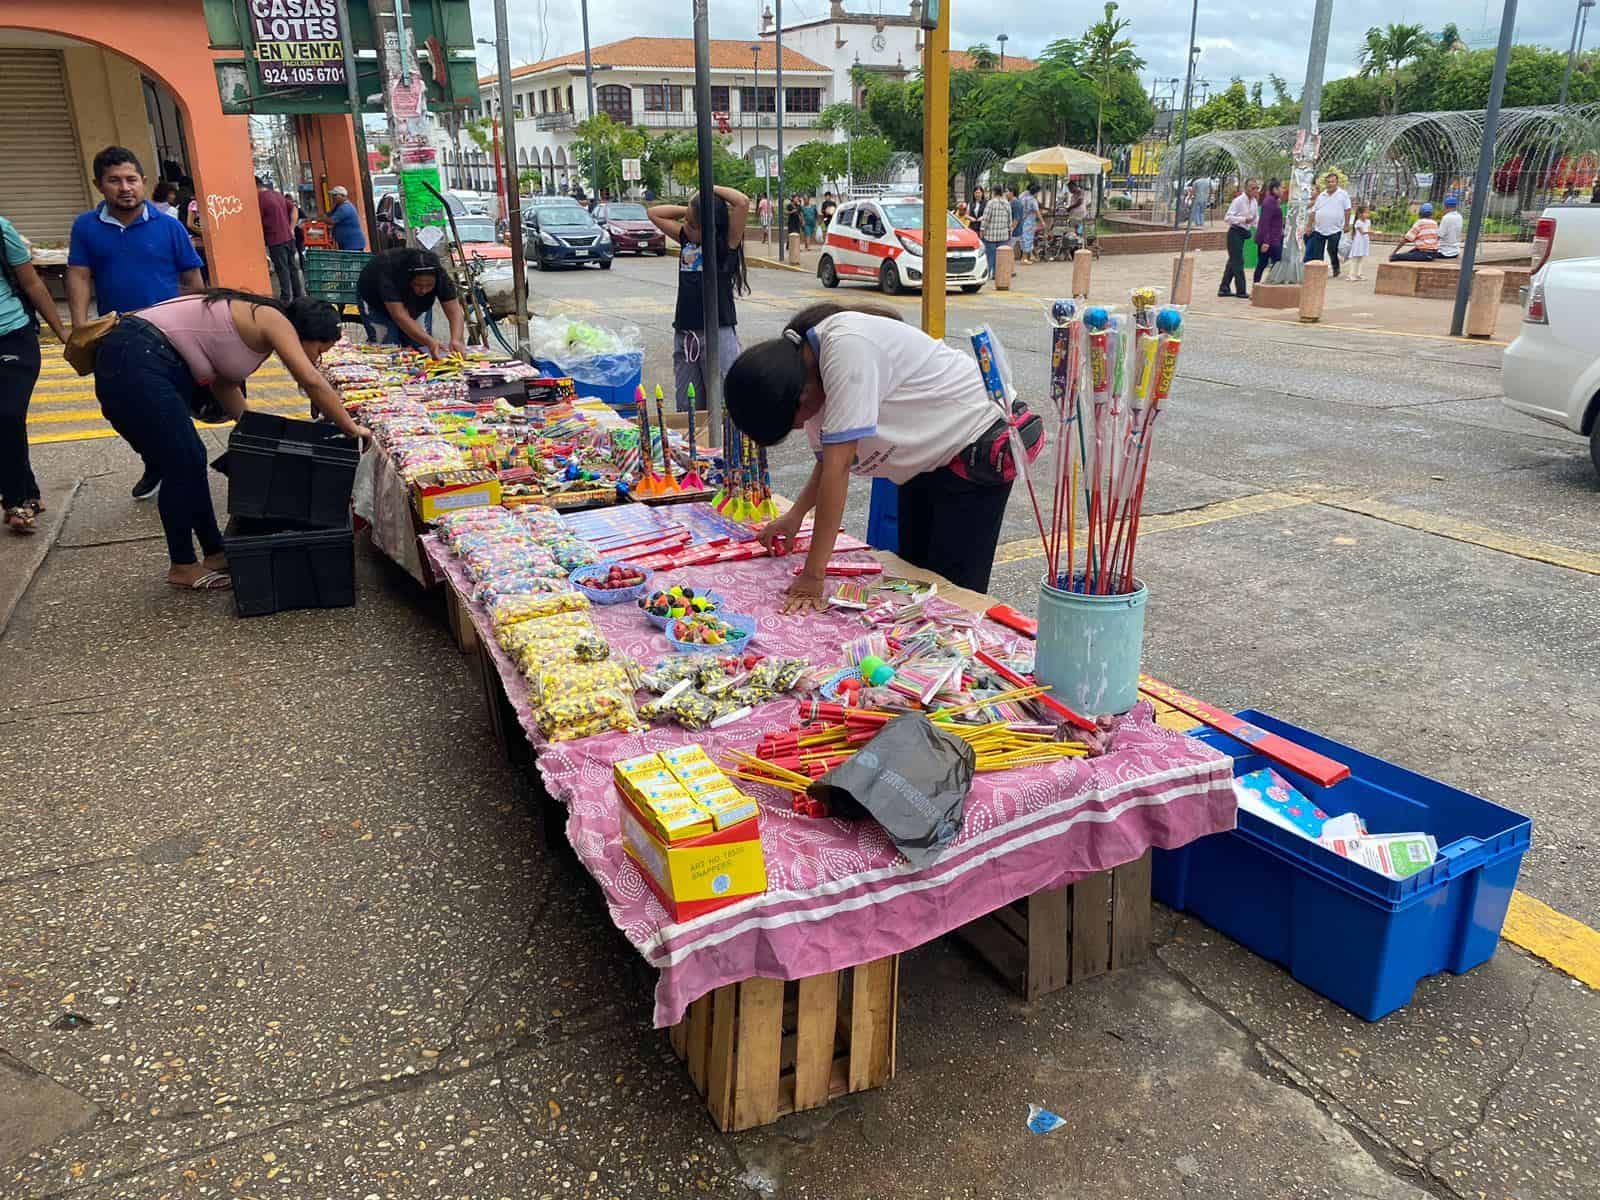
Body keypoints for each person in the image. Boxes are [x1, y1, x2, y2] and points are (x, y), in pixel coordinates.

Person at [724, 302, 1020, 600]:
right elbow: (829, 462)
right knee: (915, 580)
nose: (800, 429)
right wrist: (796, 516)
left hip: (974, 441)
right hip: (927, 458)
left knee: (954, 592)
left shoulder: (845, 352)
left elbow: (837, 473)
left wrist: (814, 575)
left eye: (793, 424)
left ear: (800, 397)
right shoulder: (807, 373)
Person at [93, 291, 365, 590]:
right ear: (306, 334)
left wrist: (257, 433)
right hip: (138, 356)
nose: (318, 358)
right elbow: (311, 380)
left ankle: (214, 552)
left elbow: (224, 384)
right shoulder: (275, 321)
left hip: (146, 357)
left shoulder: (260, 324)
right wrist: (351, 428)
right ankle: (182, 565)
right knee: (183, 462)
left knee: (190, 461)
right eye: (320, 349)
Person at [67, 146, 204, 503]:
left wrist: (198, 324)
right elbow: (80, 276)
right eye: (114, 181)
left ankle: (179, 469)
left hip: (168, 334)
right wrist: (79, 326)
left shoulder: (170, 227)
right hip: (115, 335)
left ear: (144, 182)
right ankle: (153, 460)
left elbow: (193, 280)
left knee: (172, 406)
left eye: (131, 179)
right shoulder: (86, 227)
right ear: (100, 185)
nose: (124, 187)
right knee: (115, 407)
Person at [647, 186, 751, 415]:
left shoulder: (726, 244)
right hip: (685, 333)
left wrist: (709, 187)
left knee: (723, 403)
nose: (686, 227)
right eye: (686, 221)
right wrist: (692, 208)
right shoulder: (686, 239)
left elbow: (742, 202)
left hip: (718, 333)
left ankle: (723, 449)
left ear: (711, 226)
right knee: (688, 406)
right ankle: (697, 449)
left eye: (694, 225)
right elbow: (654, 213)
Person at [2, 213, 70, 535]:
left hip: (11, 333)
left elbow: (31, 282)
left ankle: (15, 500)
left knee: (7, 413)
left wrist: (63, 334)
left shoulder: (0, 228)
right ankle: (28, 490)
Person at [357, 246, 466, 355]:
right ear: (408, 279)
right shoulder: (388, 270)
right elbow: (399, 316)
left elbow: (454, 311)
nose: (423, 290)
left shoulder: (441, 276)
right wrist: (430, 342)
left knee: (421, 348)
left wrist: (456, 339)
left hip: (415, 305)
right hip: (376, 301)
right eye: (418, 284)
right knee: (388, 347)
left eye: (429, 285)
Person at [257, 176, 302, 302]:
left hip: (276, 240)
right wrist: (291, 228)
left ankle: (286, 299)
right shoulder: (277, 195)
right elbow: (294, 209)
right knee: (292, 267)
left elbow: (257, 221)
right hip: (289, 238)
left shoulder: (260, 199)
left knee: (282, 269)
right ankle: (298, 296)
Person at [1304, 171, 1352, 277]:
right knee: (1318, 252)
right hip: (1319, 229)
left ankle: (1336, 268)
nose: (1330, 184)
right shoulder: (1322, 195)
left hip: (1335, 229)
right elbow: (1314, 211)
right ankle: (1319, 271)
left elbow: (1347, 210)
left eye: (1332, 182)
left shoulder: (1343, 195)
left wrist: (1347, 225)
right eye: (1328, 182)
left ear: (1337, 183)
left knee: (1332, 250)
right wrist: (1309, 225)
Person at [1218, 179, 1259, 299]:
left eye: (1256, 188)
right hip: (1234, 232)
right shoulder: (1239, 201)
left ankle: (1224, 288)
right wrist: (1243, 219)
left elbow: (1256, 219)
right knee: (1238, 261)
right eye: (1252, 188)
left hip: (1243, 233)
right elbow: (1228, 217)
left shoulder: (1254, 202)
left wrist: (1261, 232)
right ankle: (1241, 290)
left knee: (1232, 261)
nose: (1255, 190)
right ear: (1246, 188)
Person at [1252, 179, 1284, 285]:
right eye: (1281, 188)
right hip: (1270, 239)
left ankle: (1265, 285)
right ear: (1275, 189)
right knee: (1269, 263)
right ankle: (1259, 286)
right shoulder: (1269, 202)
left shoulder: (1274, 201)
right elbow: (1265, 222)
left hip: (1274, 238)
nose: (1283, 190)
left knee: (1267, 263)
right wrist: (1266, 241)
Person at [979, 186, 1015, 277]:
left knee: (990, 256)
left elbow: (986, 218)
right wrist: (1010, 232)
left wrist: (982, 230)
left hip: (990, 236)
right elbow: (1009, 220)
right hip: (1003, 236)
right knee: (1000, 258)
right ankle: (997, 274)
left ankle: (987, 274)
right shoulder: (1007, 203)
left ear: (994, 192)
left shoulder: (990, 203)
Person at [326, 185, 366, 251]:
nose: (333, 197)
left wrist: (322, 219)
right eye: (332, 195)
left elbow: (331, 220)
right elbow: (329, 214)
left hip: (353, 244)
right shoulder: (339, 206)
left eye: (335, 195)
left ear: (343, 196)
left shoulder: (345, 208)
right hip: (347, 243)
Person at [1346, 204, 1372, 280]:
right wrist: (1372, 232)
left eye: (1368, 213)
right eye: (1366, 212)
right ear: (1360, 214)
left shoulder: (1368, 221)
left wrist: (1371, 232)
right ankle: (1351, 274)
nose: (1367, 214)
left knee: (1361, 258)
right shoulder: (1358, 222)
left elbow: (1368, 230)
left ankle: (1359, 274)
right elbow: (1362, 232)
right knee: (1355, 258)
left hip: (1365, 241)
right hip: (1358, 241)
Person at [1019, 183, 1042, 264]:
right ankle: (1024, 259)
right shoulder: (1032, 200)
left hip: (1023, 221)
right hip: (1029, 222)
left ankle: (1027, 257)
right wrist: (1042, 222)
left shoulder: (1023, 198)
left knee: (1024, 239)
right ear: (1036, 192)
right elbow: (1037, 211)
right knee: (1028, 239)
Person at [1436, 194, 1463, 260]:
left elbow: (1439, 235)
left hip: (1444, 252)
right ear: (1456, 206)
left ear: (1446, 206)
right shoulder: (1459, 217)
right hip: (1456, 252)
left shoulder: (1446, 217)